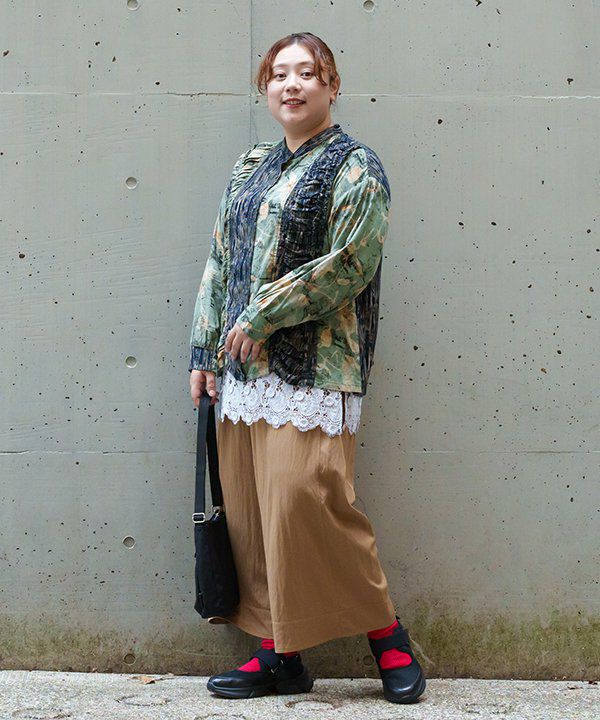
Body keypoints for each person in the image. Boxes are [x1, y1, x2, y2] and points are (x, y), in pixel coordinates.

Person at [188, 32, 426, 704]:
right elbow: (220, 259)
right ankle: (278, 655)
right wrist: (204, 350)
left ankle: (388, 637)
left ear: (331, 86)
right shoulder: (249, 168)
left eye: (306, 73)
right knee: (254, 517)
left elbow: (351, 262)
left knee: (307, 503)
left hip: (316, 371)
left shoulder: (357, 168)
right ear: (266, 89)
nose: (290, 85)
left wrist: (262, 315)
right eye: (279, 75)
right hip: (242, 374)